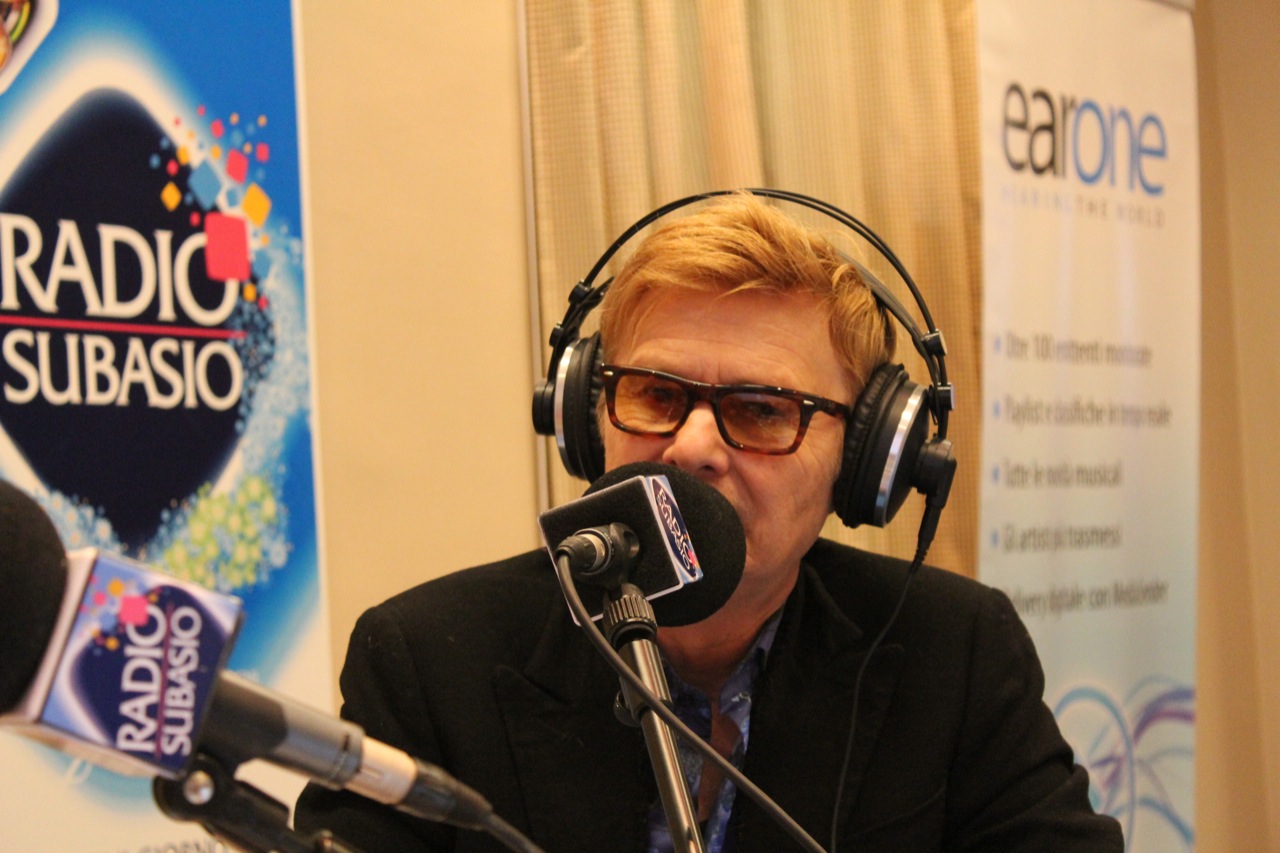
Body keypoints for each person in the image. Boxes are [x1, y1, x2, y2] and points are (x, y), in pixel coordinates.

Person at [294, 192, 1124, 851]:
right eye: (656, 395)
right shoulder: (429, 662)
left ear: (865, 461)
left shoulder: (956, 653)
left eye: (761, 409)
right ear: (589, 418)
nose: (691, 447)